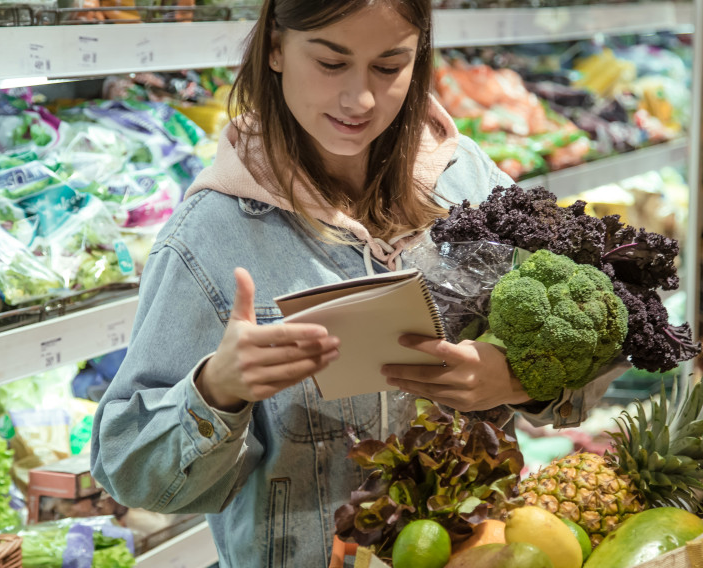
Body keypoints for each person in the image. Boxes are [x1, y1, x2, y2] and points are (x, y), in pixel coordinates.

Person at [91, 1, 618, 566]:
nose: (360, 100)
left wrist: (519, 378)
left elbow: (598, 348)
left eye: (389, 67)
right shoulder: (209, 237)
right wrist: (217, 389)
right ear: (275, 48)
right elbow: (128, 472)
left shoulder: (470, 181)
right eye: (331, 63)